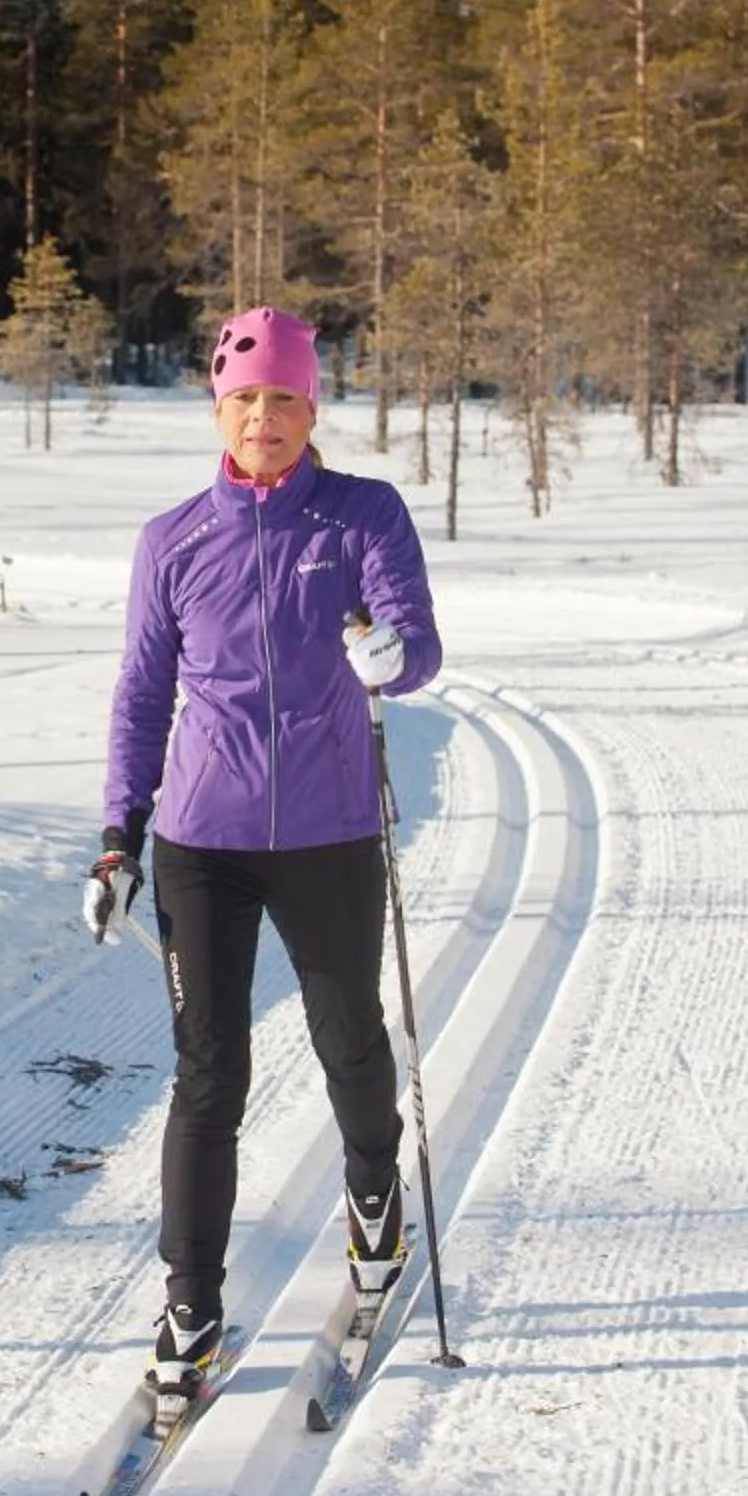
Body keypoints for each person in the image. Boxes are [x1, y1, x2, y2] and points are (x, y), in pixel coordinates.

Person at [84, 304, 443, 1402]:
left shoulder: (361, 514)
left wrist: (391, 654)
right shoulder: (173, 539)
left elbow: (413, 639)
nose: (264, 417)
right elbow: (143, 694)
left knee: (349, 1039)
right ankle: (191, 1300)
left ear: (312, 405)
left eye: (284, 398)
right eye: (245, 398)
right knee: (208, 1075)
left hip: (330, 826)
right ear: (217, 408)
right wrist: (116, 836)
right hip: (204, 838)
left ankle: (375, 1194)